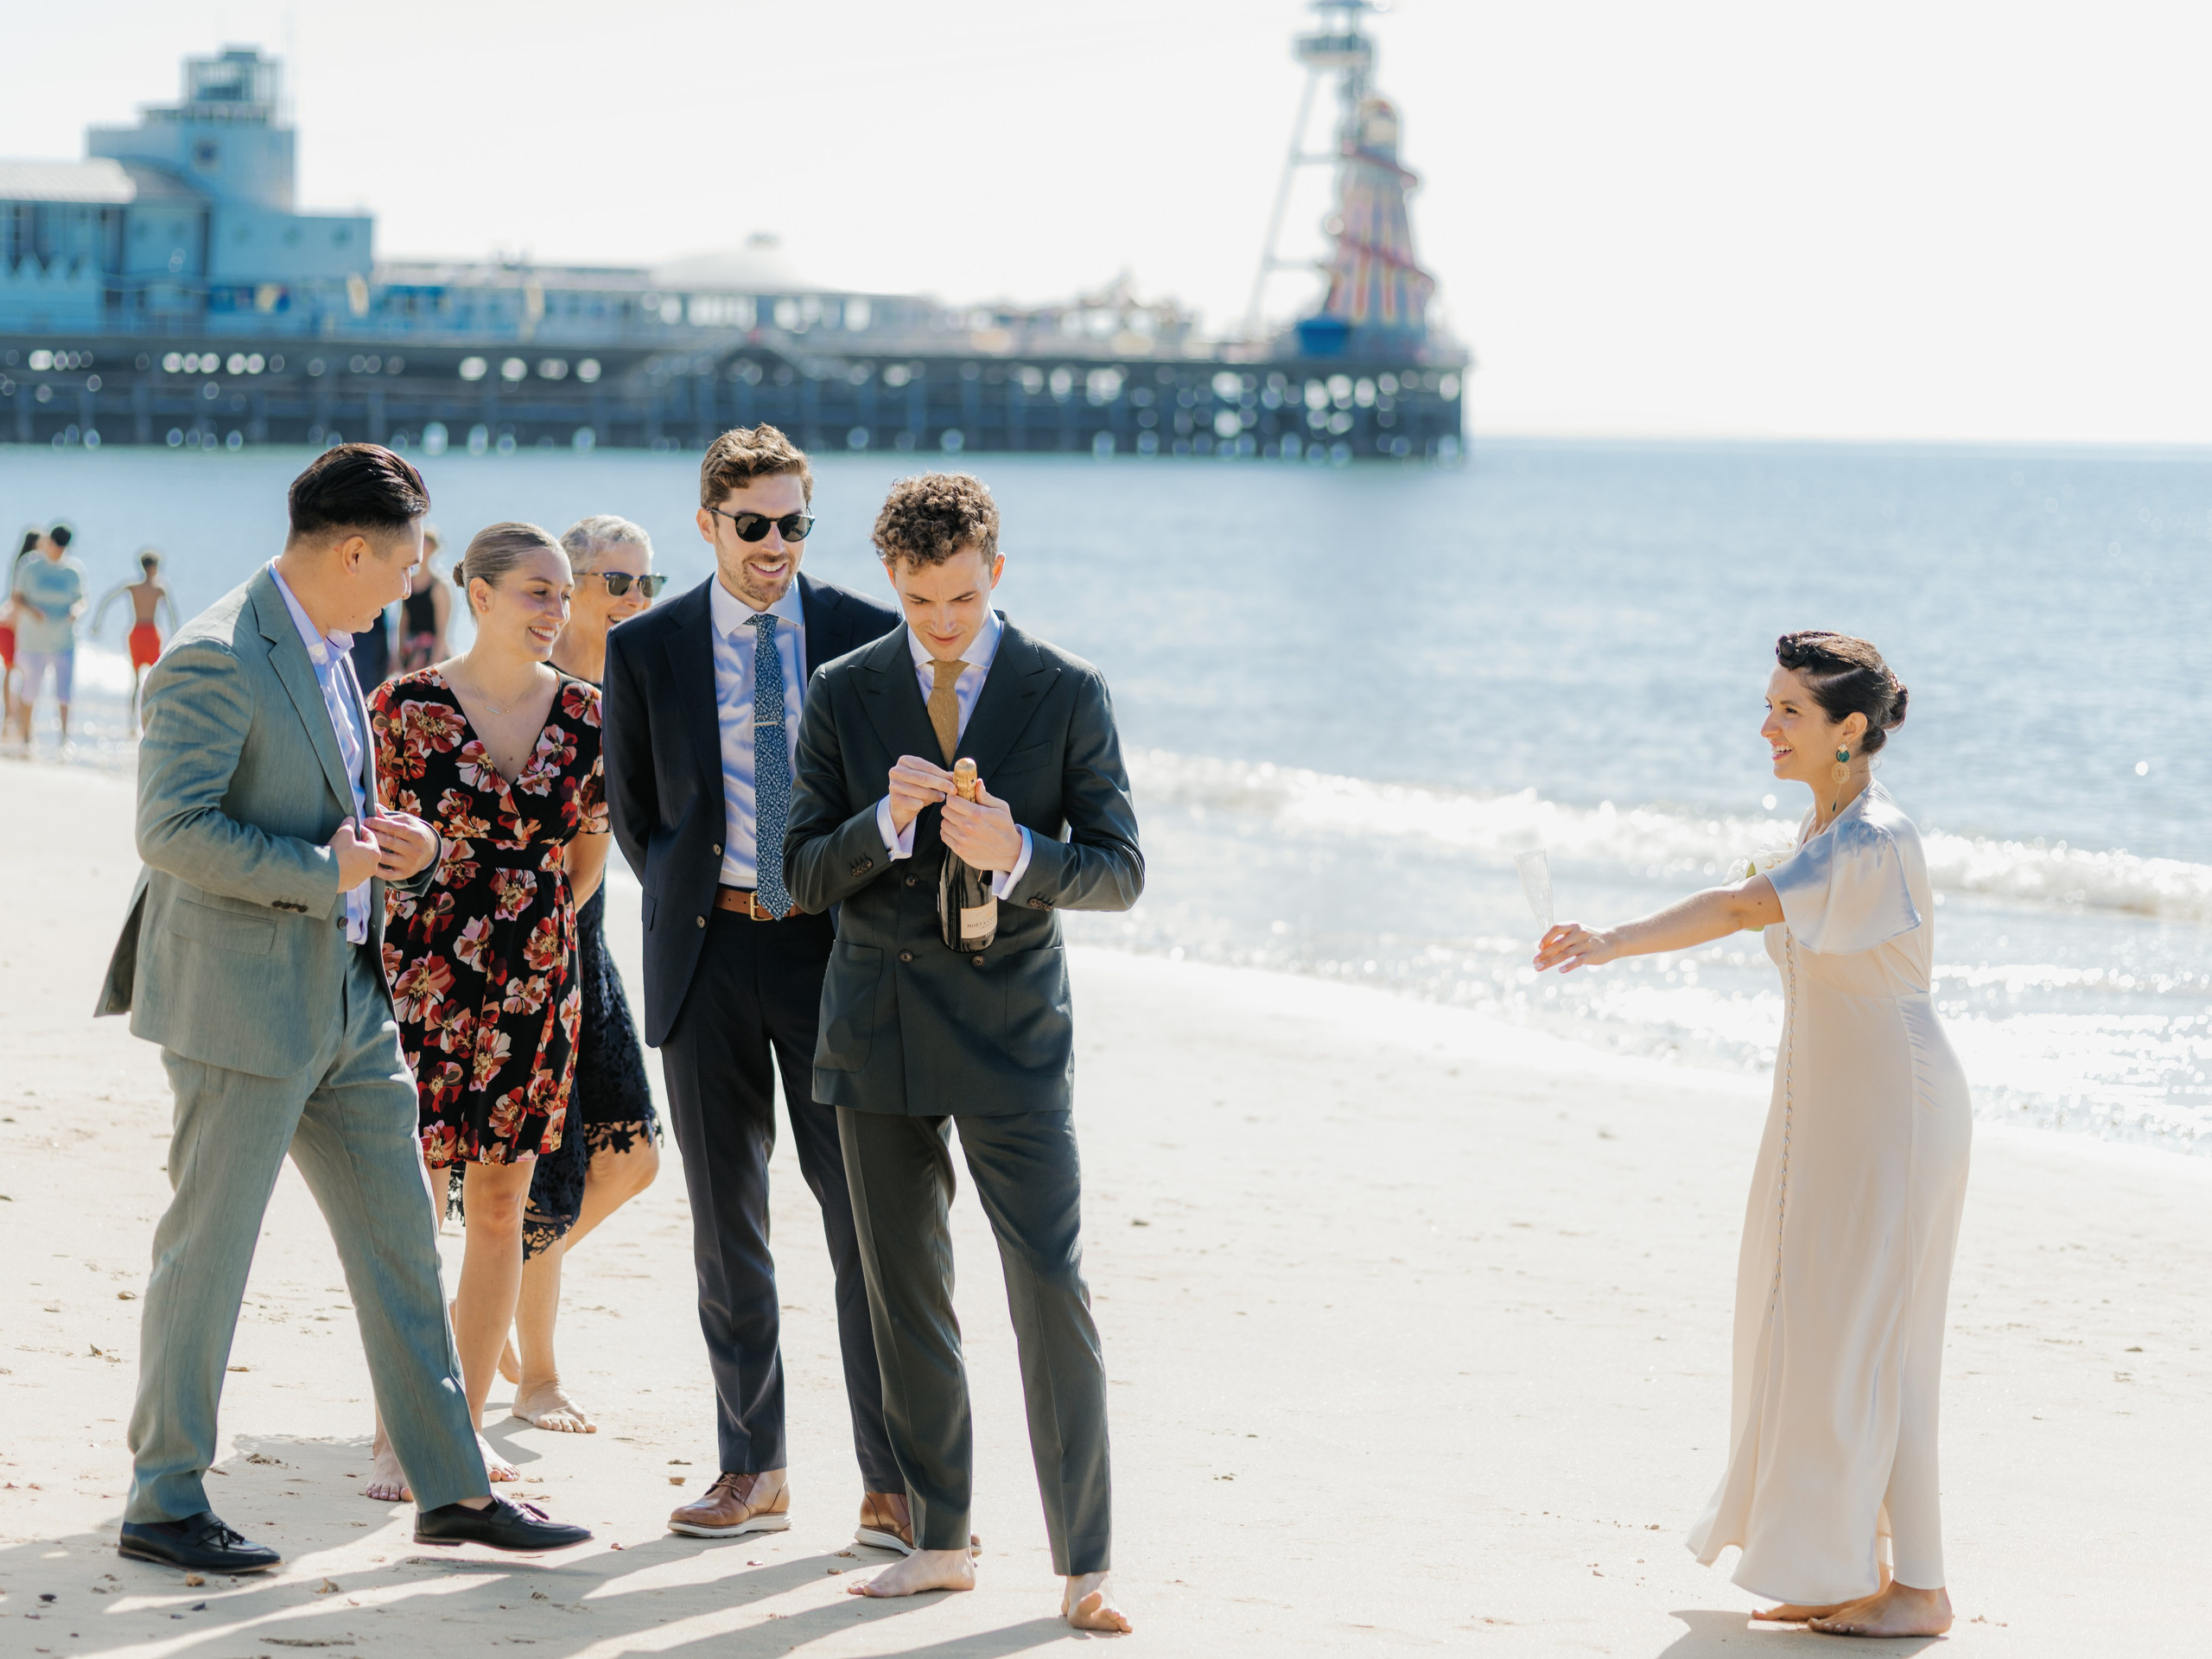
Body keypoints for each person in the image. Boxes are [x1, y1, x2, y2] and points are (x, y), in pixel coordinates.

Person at [94, 444, 590, 1574]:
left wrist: (395, 847)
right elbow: (170, 831)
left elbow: (332, 808)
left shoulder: (334, 647)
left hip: (352, 1003)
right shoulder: (215, 653)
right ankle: (163, 1500)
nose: (412, 586)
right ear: (356, 551)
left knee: (403, 1243)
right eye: (408, 565)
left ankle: (452, 1489)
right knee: (208, 1253)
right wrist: (330, 871)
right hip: (239, 1001)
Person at [1535, 632, 1966, 1640]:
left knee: (1880, 1342)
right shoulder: (1827, 825)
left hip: (1892, 1111)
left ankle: (1921, 1588)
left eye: (1787, 711)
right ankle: (1846, 1566)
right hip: (1826, 1105)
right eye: (1767, 705)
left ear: (1847, 730)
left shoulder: (1872, 839)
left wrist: (1607, 942)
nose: (1765, 726)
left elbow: (1737, 909)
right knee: (1815, 1330)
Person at [784, 472, 1143, 1633]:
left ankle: (1086, 1563)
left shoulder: (1067, 689)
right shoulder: (842, 689)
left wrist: (1023, 851)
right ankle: (940, 1541)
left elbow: (1121, 870)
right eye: (921, 601)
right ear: (892, 580)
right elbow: (800, 873)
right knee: (906, 1294)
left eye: (963, 598)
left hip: (1013, 1030)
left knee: (1050, 1283)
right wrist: (884, 823)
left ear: (997, 571)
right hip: (876, 1025)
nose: (943, 623)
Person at [600, 423, 905, 1544]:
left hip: (835, 958)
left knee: (866, 1225)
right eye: (753, 525)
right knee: (729, 1229)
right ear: (708, 524)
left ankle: (893, 1481)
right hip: (708, 958)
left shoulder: (868, 636)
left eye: (793, 524)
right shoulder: (647, 647)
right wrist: (708, 899)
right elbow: (638, 812)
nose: (775, 544)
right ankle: (752, 1469)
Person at [365, 522, 608, 1497]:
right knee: (413, 1202)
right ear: (479, 592)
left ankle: (460, 1426)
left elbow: (585, 864)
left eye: (564, 594)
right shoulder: (403, 708)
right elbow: (370, 849)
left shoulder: (588, 715)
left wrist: (524, 937)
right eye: (537, 592)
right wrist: (461, 910)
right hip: (422, 972)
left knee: (502, 1203)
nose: (557, 610)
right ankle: (399, 1424)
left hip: (536, 978)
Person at [491, 514, 668, 1433]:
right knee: (546, 1169)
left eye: (648, 583)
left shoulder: (631, 690)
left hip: (587, 940)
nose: (636, 599)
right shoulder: (537, 684)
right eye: (617, 582)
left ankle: (484, 1297)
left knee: (631, 1158)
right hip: (530, 947)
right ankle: (537, 1377)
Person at [11, 523, 88, 746]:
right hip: (33, 642)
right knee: (29, 691)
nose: (59, 551)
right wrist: (32, 611)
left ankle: (64, 742)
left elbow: (82, 600)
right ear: (48, 542)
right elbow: (16, 598)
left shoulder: (74, 570)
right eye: (56, 546)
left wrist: (76, 611)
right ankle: (27, 739)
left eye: (63, 548)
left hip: (64, 641)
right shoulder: (29, 566)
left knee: (64, 694)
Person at [94, 550, 181, 733]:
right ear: (153, 567)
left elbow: (106, 600)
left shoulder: (134, 586)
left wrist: (97, 623)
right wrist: (178, 635)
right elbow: (172, 614)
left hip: (136, 634)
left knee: (137, 682)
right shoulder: (159, 588)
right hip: (149, 634)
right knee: (156, 680)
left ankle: (133, 724)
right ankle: (150, 722)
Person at [397, 525, 451, 672]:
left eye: (425, 542)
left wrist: (434, 665)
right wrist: (398, 655)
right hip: (411, 653)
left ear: (433, 548)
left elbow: (442, 631)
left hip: (431, 654)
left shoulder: (439, 586)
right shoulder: (409, 582)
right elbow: (404, 620)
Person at [0, 531, 35, 742]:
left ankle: (11, 717)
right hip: (12, 626)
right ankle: (14, 718)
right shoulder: (28, 566)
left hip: (8, 623)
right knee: (18, 670)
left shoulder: (21, 564)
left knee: (13, 670)